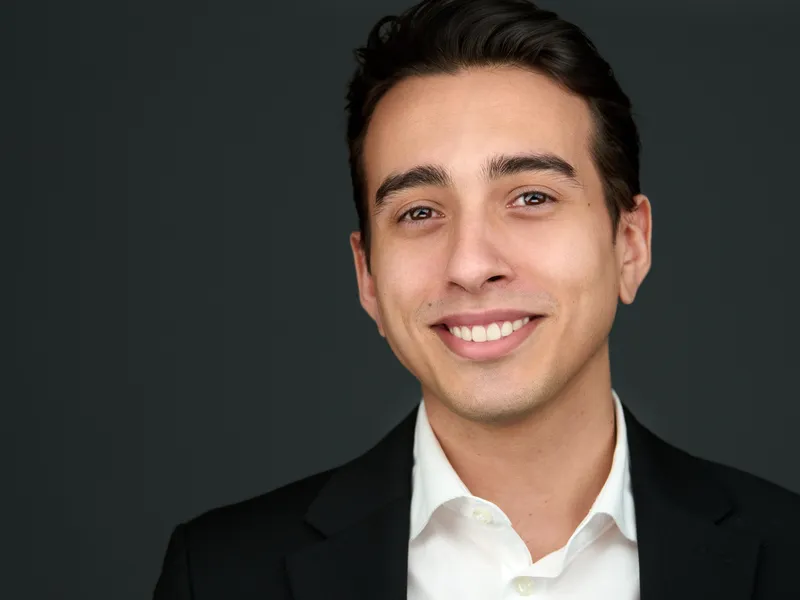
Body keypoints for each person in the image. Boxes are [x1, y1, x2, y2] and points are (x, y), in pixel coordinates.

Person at [153, 0, 800, 598]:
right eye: (420, 212)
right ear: (367, 278)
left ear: (629, 244)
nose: (470, 265)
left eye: (531, 198)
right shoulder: (219, 576)